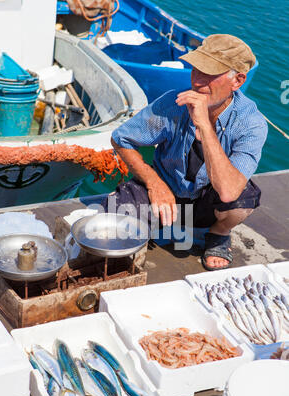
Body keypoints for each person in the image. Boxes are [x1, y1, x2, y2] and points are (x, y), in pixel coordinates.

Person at [103, 34, 268, 271]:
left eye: (209, 74)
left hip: (208, 200)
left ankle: (218, 234)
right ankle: (155, 222)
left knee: (242, 199)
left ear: (238, 80)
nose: (198, 82)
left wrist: (203, 125)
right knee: (116, 216)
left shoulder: (251, 123)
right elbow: (121, 139)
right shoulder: (173, 104)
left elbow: (229, 191)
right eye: (195, 70)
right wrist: (154, 183)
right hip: (166, 189)